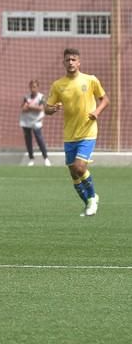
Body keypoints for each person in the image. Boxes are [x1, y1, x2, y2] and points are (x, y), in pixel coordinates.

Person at [45, 48, 109, 217]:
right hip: (69, 134)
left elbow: (105, 99)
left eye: (73, 59)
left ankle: (93, 201)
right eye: (68, 60)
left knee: (80, 168)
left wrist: (97, 112)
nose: (71, 62)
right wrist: (53, 108)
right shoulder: (58, 85)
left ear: (79, 62)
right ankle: (89, 201)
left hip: (88, 131)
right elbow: (47, 109)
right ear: (63, 63)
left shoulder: (90, 80)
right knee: (73, 172)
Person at [20, 80, 51, 167]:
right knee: (28, 140)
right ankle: (31, 159)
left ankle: (46, 158)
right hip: (26, 121)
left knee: (39, 139)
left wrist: (29, 106)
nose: (33, 89)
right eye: (31, 87)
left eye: (34, 87)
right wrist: (31, 107)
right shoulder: (26, 97)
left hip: (37, 121)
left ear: (37, 87)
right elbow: (23, 108)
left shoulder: (41, 97)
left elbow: (41, 108)